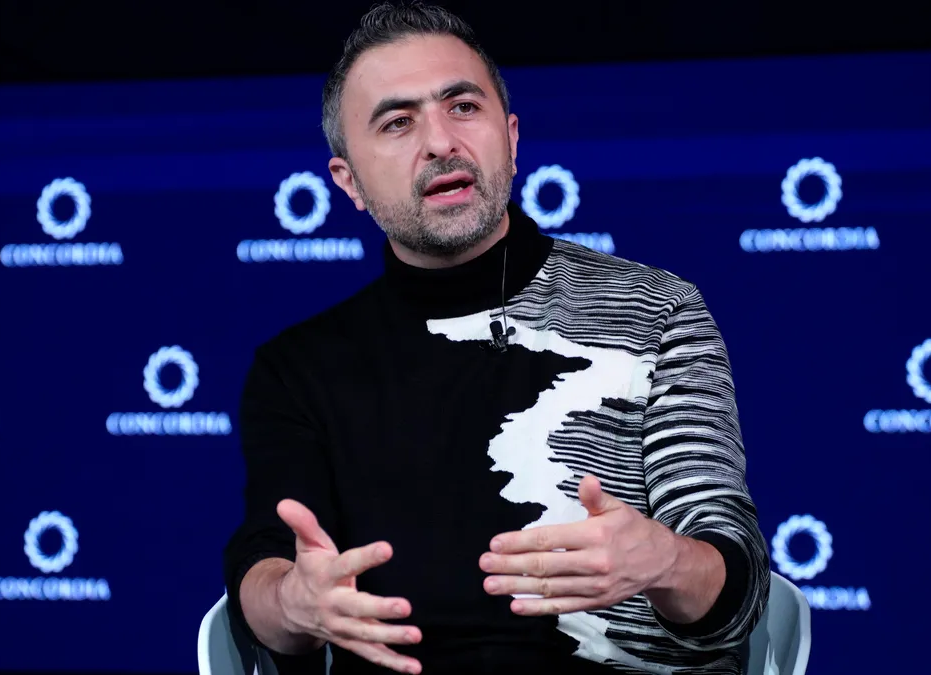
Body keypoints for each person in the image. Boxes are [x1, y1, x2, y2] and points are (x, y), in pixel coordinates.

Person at [223, 3, 770, 674]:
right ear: (349, 182)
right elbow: (264, 577)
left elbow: (735, 594)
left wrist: (666, 560)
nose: (440, 143)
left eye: (462, 108)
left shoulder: (655, 311)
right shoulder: (298, 368)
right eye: (398, 123)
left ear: (511, 139)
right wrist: (295, 601)